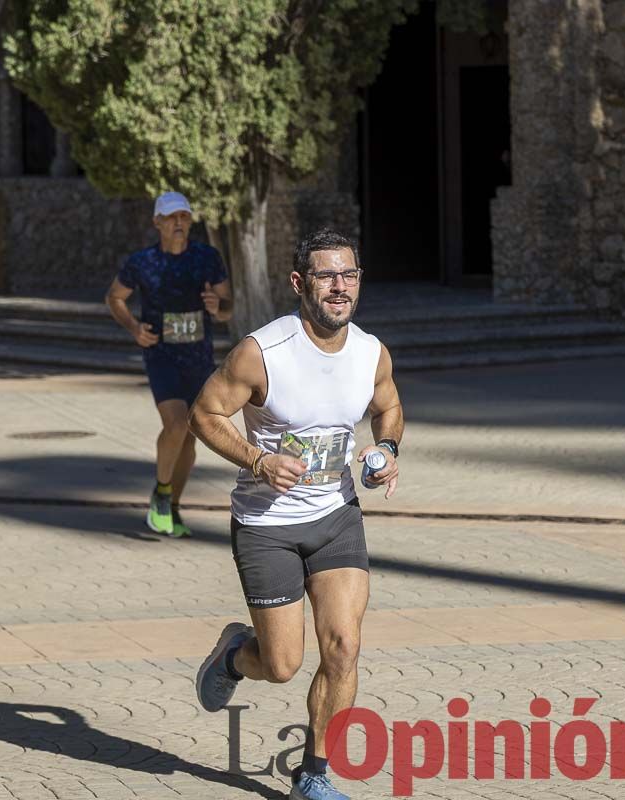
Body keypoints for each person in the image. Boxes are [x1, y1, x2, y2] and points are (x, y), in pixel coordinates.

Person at [188, 229, 403, 800]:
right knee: (282, 664)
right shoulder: (262, 352)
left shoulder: (370, 351)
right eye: (328, 275)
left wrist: (387, 452)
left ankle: (314, 772)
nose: (340, 287)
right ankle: (236, 655)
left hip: (336, 516)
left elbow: (389, 406)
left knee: (343, 646)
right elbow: (204, 414)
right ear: (299, 282)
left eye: (350, 275)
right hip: (267, 528)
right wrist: (258, 460)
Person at [106, 192, 232, 537]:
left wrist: (216, 307)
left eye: (185, 217)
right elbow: (114, 297)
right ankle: (162, 493)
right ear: (157, 222)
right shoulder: (142, 262)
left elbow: (228, 307)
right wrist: (134, 328)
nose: (179, 223)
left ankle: (171, 508)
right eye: (172, 217)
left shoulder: (207, 257)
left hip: (198, 358)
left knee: (190, 439)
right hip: (161, 355)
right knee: (175, 424)